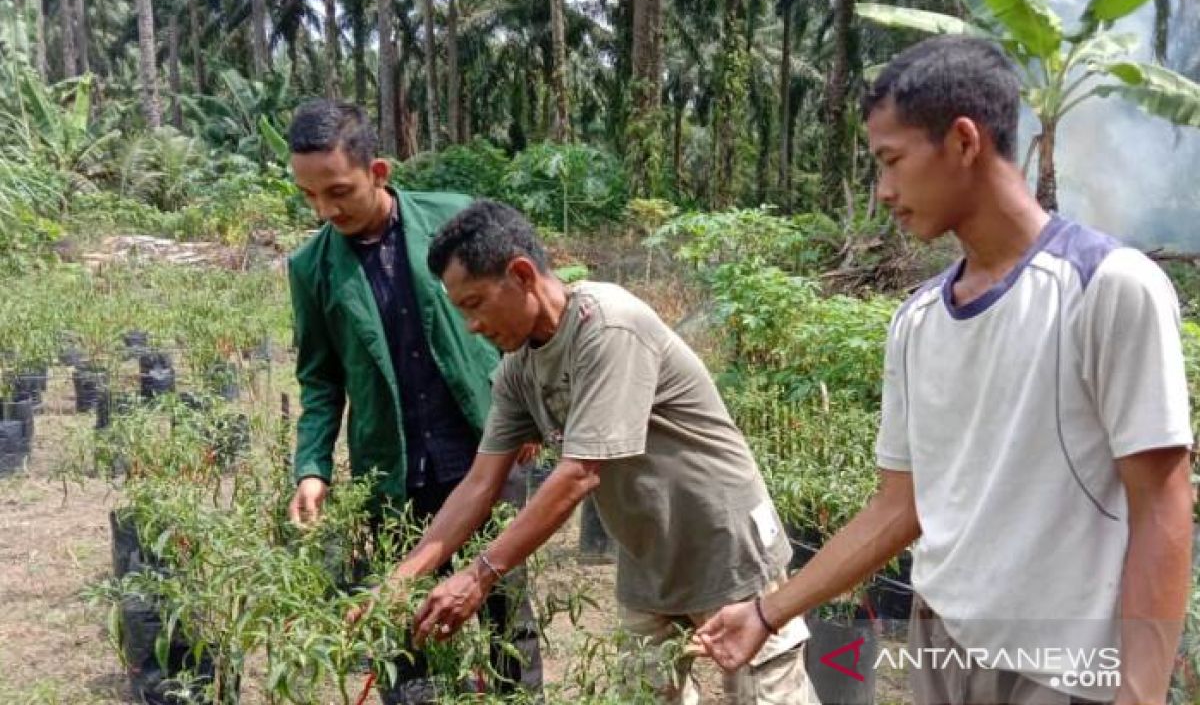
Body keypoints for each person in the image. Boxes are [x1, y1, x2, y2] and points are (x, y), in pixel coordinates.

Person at [694, 36, 1195, 705]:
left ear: (964, 141)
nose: (885, 191)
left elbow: (1161, 502)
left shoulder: (1107, 287)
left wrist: (1141, 692)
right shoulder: (918, 321)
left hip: (1062, 668)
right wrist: (767, 612)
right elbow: (898, 509)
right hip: (943, 652)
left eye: (892, 160)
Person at [370, 198, 820, 704]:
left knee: (764, 694)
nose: (472, 325)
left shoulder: (607, 326)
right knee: (644, 695)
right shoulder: (520, 368)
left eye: (474, 304)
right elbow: (480, 483)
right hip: (648, 552)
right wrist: (401, 580)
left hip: (724, 540)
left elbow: (579, 473)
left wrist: (480, 575)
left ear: (520, 274)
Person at [284, 100, 542, 704]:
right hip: (391, 473)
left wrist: (530, 409)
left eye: (338, 191)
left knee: (506, 615)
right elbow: (320, 381)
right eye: (309, 196)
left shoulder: (453, 224)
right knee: (406, 623)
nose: (325, 209)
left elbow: (523, 316)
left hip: (485, 453)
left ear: (379, 171)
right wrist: (312, 468)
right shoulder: (310, 268)